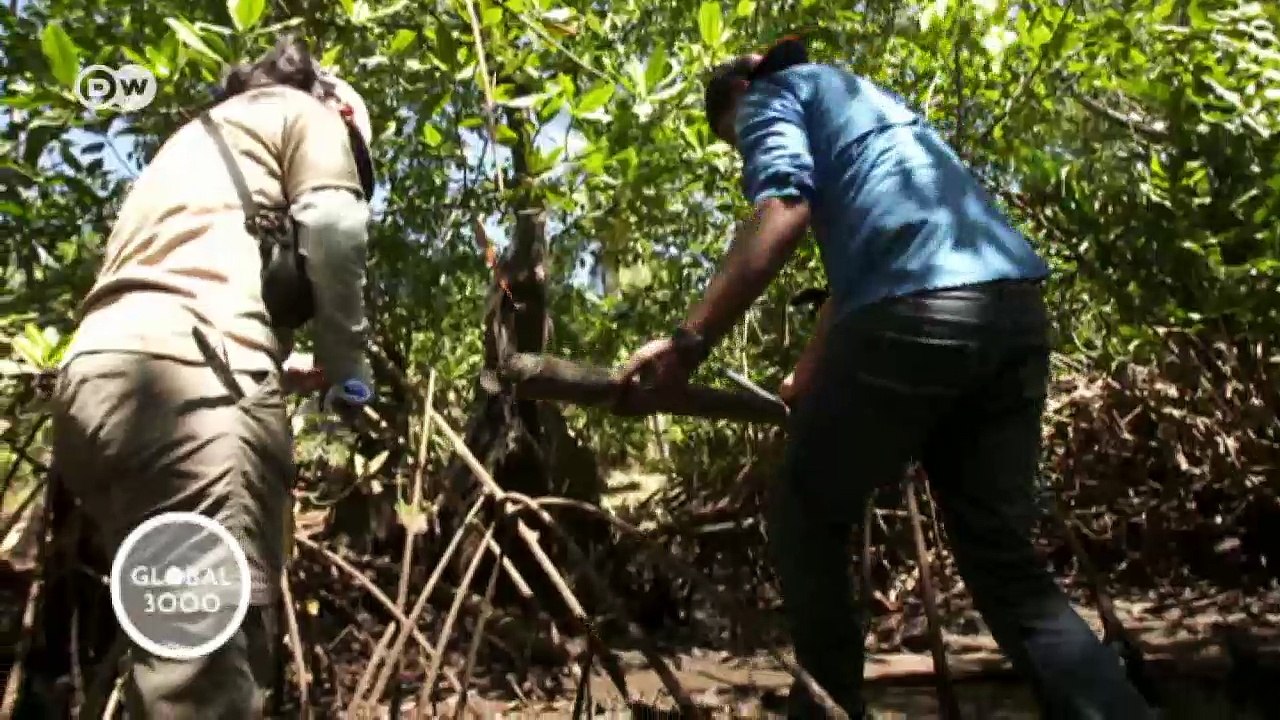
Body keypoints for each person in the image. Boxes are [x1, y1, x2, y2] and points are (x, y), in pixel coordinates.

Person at [618, 38, 1157, 719]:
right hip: (1011, 310)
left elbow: (782, 210)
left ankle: (827, 710)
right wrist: (811, 372)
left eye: (736, 141)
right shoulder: (869, 105)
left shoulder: (771, 97)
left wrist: (686, 345)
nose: (744, 152)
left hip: (919, 312)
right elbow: (868, 266)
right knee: (1003, 563)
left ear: (741, 96)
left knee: (804, 512)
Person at [47, 36, 375, 718]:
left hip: (94, 388)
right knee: (202, 685)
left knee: (166, 648)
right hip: (191, 397)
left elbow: (186, 292)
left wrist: (283, 369)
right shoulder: (310, 112)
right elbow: (336, 230)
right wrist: (350, 375)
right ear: (340, 113)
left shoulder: (193, 143)